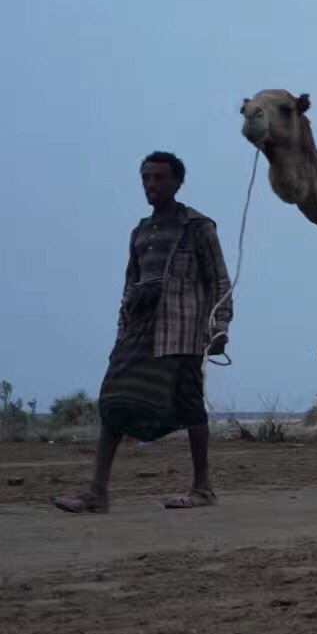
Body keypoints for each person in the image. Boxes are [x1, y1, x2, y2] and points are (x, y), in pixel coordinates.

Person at [55, 152, 233, 513]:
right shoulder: (140, 232)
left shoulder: (198, 227)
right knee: (113, 401)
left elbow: (220, 281)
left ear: (178, 183)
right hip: (139, 330)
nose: (152, 185)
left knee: (189, 405)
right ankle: (97, 494)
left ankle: (203, 489)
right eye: (146, 178)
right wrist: (122, 329)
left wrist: (220, 327)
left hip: (181, 330)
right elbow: (130, 283)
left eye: (160, 178)